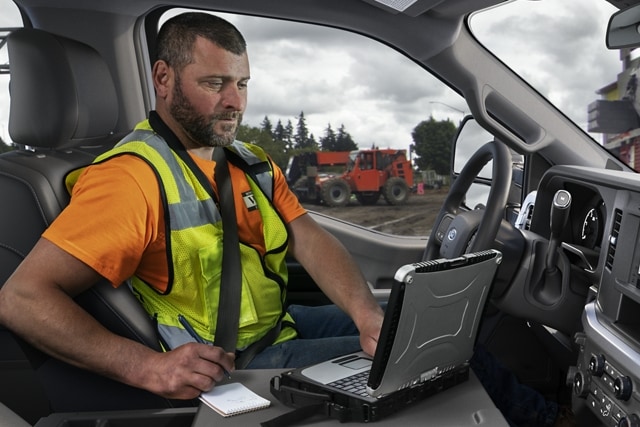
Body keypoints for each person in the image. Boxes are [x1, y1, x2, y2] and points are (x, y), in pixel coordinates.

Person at [0, 12, 384, 401]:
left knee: (407, 334)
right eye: (215, 83)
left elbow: (310, 240)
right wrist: (145, 367)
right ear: (163, 79)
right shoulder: (131, 178)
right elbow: (21, 299)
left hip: (279, 326)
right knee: (401, 363)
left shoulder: (250, 162)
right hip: (237, 368)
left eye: (242, 83)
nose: (235, 101)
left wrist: (366, 314)